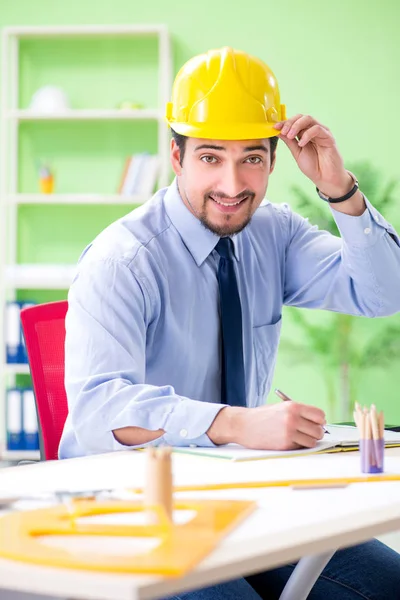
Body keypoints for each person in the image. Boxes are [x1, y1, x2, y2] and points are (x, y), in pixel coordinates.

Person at [60, 47, 400, 599]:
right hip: (131, 506)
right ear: (177, 156)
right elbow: (99, 409)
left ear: (273, 160)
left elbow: (385, 291)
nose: (232, 183)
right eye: (211, 158)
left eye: (252, 159)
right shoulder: (122, 259)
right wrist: (238, 423)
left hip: (240, 497)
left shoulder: (274, 234)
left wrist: (340, 189)